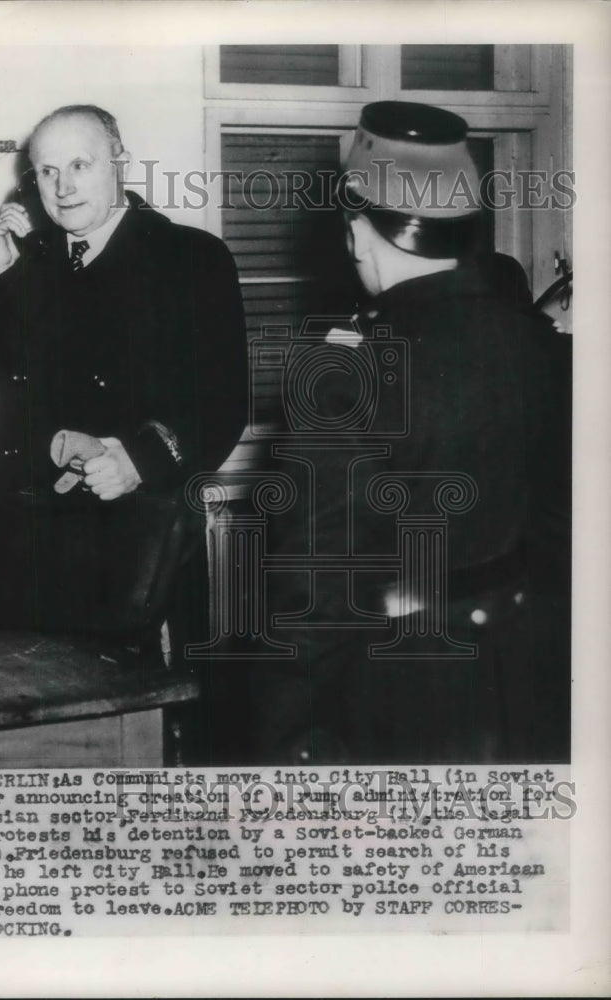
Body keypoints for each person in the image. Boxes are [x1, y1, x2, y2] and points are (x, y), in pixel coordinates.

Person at [248, 101, 571, 764]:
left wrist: (275, 741)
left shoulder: (347, 374)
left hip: (394, 690)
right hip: (527, 676)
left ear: (357, 231)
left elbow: (317, 597)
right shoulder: (538, 345)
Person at [0, 104, 248, 645]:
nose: (62, 187)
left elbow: (223, 404)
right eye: (47, 172)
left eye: (80, 166)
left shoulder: (188, 258)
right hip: (11, 539)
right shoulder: (23, 258)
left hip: (117, 541)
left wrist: (138, 460)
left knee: (112, 709)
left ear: (118, 161)